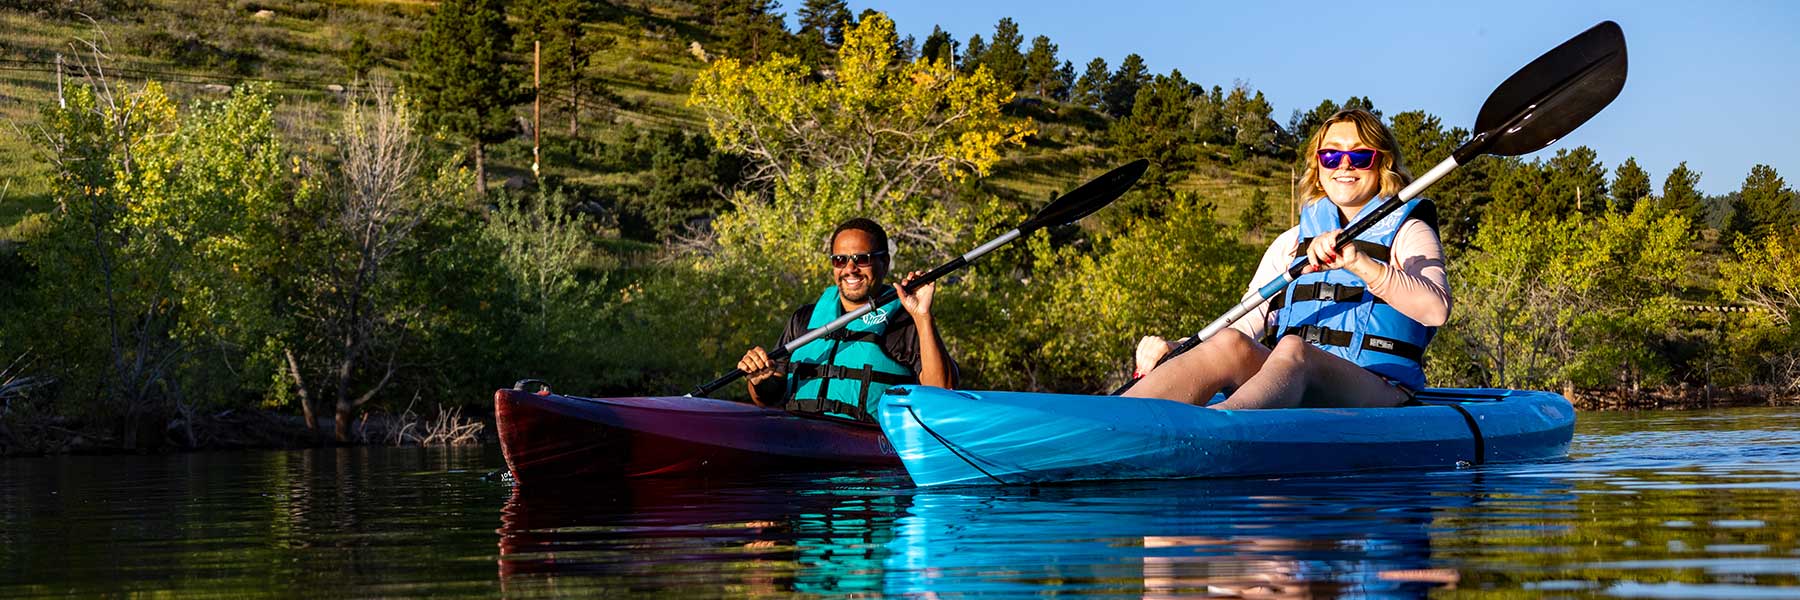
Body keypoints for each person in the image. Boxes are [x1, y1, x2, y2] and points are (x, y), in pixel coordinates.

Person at [1128, 109, 1452, 409]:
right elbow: (1244, 323)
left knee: (1294, 349)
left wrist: (1359, 262)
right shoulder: (1292, 241)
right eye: (1331, 155)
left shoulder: (1409, 231)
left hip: (1376, 388)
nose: (1344, 165)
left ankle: (1219, 428)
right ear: (1318, 164)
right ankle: (1118, 416)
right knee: (1229, 342)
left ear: (1382, 163)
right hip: (1291, 379)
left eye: (1360, 155)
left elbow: (1435, 310)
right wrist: (1177, 346)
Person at [735, 218, 957, 421]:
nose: (850, 269)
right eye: (840, 260)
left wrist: (923, 316)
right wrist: (759, 381)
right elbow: (767, 399)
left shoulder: (905, 322)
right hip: (800, 442)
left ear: (885, 262)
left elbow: (942, 394)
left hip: (867, 450)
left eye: (862, 259)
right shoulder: (803, 320)